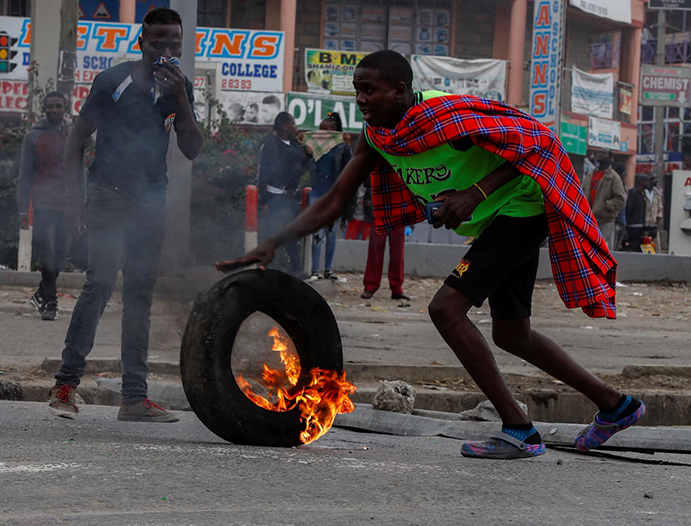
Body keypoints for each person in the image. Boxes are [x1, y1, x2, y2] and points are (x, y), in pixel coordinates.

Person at [217, 50, 645, 460]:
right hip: (497, 219)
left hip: (520, 209)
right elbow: (335, 202)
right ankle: (616, 406)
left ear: (401, 91)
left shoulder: (448, 115)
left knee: (446, 308)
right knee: (512, 335)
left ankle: (518, 428)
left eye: (370, 90)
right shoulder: (377, 135)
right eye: (357, 90)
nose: (361, 99)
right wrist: (274, 241)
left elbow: (538, 143)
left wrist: (473, 194)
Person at [48, 7, 202, 422]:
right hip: (107, 196)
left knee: (139, 295)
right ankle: (65, 387)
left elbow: (192, 148)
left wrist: (182, 99)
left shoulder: (180, 88)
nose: (166, 51)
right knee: (99, 282)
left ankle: (134, 399)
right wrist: (73, 199)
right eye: (158, 43)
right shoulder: (112, 81)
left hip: (151, 203)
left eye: (175, 44)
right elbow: (75, 142)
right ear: (141, 43)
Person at [18, 91, 75, 321]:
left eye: (58, 106)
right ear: (44, 109)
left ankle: (41, 293)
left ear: (65, 108)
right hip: (43, 205)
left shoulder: (73, 135)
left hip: (68, 206)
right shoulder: (33, 137)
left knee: (61, 256)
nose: (54, 110)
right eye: (50, 106)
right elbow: (25, 174)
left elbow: (82, 167)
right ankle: (50, 303)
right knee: (49, 257)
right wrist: (23, 208)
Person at [257, 112, 310, 276]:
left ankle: (295, 268)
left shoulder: (295, 144)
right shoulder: (270, 145)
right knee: (271, 232)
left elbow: (301, 168)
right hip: (274, 196)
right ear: (285, 125)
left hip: (290, 196)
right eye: (293, 123)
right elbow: (263, 173)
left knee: (292, 233)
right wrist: (264, 200)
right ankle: (265, 267)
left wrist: (308, 154)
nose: (296, 127)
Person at [304, 112, 352, 280]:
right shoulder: (314, 146)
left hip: (333, 190)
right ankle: (315, 270)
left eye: (325, 130)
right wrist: (307, 152)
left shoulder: (341, 146)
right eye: (320, 129)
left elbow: (349, 167)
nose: (321, 133)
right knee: (317, 231)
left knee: (331, 232)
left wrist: (347, 146)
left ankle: (328, 269)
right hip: (318, 188)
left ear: (334, 131)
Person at [581, 150, 626, 249]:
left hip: (605, 221)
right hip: (589, 220)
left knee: (604, 250)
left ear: (610, 158)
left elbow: (621, 199)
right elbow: (581, 193)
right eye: (599, 153)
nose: (600, 155)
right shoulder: (589, 175)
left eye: (603, 153)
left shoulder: (614, 177)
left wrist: (605, 205)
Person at [626, 173, 664, 252]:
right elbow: (630, 208)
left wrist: (658, 221)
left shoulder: (656, 192)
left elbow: (660, 207)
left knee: (657, 248)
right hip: (642, 224)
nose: (652, 181)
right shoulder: (639, 192)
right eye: (650, 179)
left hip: (653, 224)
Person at [611, 162, 627, 252]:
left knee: (615, 249)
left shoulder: (622, 187)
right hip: (615, 222)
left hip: (621, 222)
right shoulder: (612, 184)